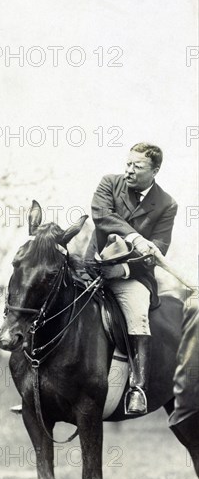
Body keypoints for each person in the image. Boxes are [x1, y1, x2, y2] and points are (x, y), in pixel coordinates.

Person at [85, 142, 178, 415]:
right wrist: (135, 237)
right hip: (93, 268)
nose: (129, 170)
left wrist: (124, 271)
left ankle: (137, 388)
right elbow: (102, 215)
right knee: (54, 297)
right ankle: (39, 385)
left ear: (155, 170)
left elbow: (157, 250)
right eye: (128, 164)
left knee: (138, 313)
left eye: (137, 167)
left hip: (132, 277)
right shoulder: (109, 183)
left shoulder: (166, 204)